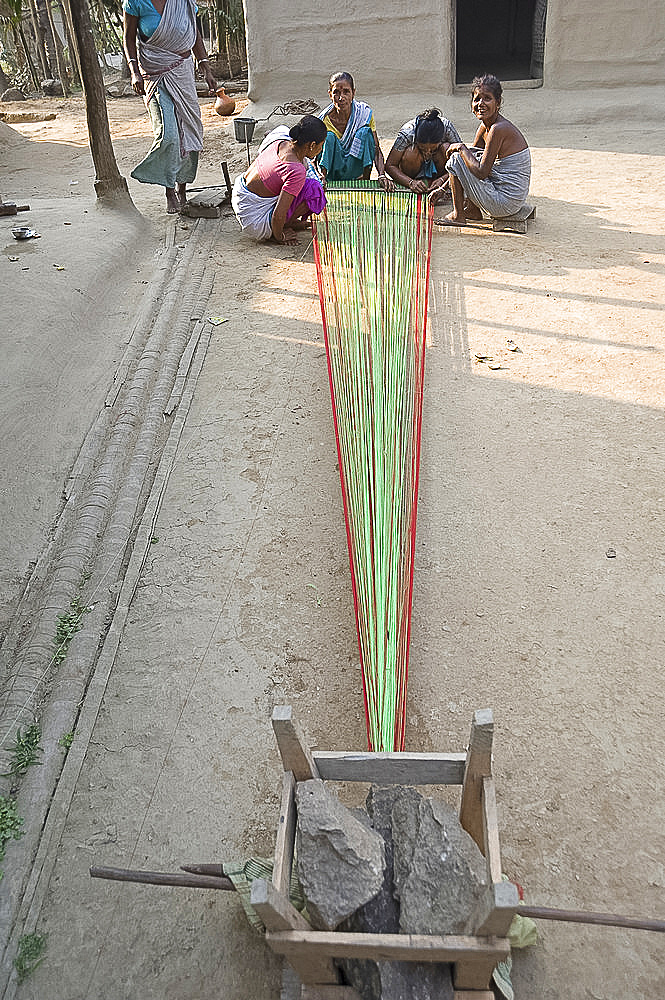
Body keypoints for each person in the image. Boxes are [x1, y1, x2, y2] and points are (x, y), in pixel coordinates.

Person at [123, 0, 217, 214]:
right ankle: (168, 190)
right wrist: (134, 71)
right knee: (169, 135)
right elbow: (128, 38)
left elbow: (195, 36)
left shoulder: (184, 2)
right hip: (154, 74)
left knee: (189, 132)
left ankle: (181, 188)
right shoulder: (135, 2)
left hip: (182, 73)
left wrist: (206, 68)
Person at [438, 74, 531, 226]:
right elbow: (470, 162)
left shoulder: (498, 129)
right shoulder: (485, 128)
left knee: (458, 156)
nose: (481, 103)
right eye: (477, 99)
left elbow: (481, 172)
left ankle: (458, 215)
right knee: (469, 156)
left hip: (506, 203)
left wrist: (461, 147)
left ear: (498, 103)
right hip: (506, 198)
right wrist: (442, 189)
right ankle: (471, 210)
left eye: (487, 98)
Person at [231, 115, 327, 245]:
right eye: (321, 146)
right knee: (314, 190)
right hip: (255, 219)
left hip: (240, 197)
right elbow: (278, 214)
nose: (320, 150)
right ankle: (281, 227)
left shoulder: (281, 141)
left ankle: (288, 222)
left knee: (308, 184)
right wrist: (279, 236)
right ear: (312, 145)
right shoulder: (295, 170)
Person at [318, 72, 394, 190]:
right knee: (329, 137)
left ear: (353, 93)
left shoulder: (364, 114)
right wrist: (319, 176)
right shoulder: (323, 120)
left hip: (355, 168)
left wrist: (382, 175)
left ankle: (364, 182)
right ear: (330, 95)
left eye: (346, 92)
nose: (341, 98)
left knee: (365, 133)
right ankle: (325, 180)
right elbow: (313, 156)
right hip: (333, 171)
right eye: (336, 92)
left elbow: (376, 148)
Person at [385, 108, 461, 203]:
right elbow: (390, 165)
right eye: (423, 148)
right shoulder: (407, 133)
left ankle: (439, 182)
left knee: (448, 148)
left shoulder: (446, 128)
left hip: (439, 169)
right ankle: (418, 181)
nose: (428, 152)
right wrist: (410, 183)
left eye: (433, 149)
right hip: (414, 171)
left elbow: (462, 160)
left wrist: (443, 179)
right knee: (410, 152)